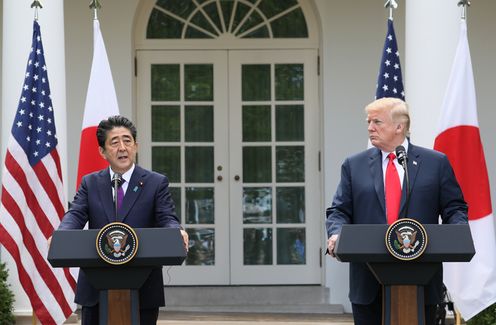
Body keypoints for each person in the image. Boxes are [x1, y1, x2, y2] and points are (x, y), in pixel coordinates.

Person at [325, 98, 467, 325]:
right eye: (368, 121)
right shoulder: (354, 165)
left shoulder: (435, 163)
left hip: (422, 279)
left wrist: (458, 233)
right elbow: (339, 210)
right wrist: (335, 233)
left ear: (399, 127)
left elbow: (454, 208)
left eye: (377, 122)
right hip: (368, 282)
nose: (370, 127)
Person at [57, 115, 189, 325]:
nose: (122, 147)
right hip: (96, 287)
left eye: (127, 141)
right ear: (102, 151)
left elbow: (167, 217)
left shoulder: (156, 183)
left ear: (136, 146)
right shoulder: (90, 183)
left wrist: (176, 231)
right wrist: (61, 235)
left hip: (143, 287)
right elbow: (76, 214)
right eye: (114, 142)